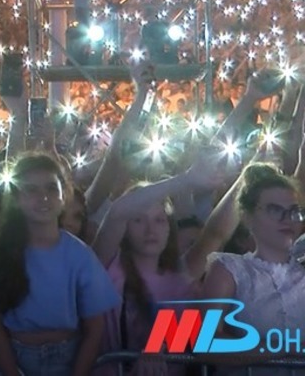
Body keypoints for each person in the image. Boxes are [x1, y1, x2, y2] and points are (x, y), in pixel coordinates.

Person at [0, 152, 119, 376]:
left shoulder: (80, 255)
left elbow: (95, 327)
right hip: (13, 355)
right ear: (16, 198)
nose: (43, 197)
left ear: (63, 196)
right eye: (31, 190)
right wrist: (11, 372)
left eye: (51, 189)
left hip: (68, 357)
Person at [91, 154, 242, 376]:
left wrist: (248, 176)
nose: (150, 230)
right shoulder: (108, 268)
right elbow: (117, 213)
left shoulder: (181, 278)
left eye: (159, 220)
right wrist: (186, 179)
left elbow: (215, 235)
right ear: (126, 228)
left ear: (170, 227)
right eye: (139, 220)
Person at [202, 164, 305, 375]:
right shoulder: (228, 270)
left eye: (294, 212)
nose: (287, 219)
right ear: (248, 217)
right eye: (275, 210)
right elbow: (205, 342)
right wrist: (285, 347)